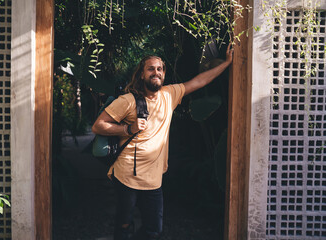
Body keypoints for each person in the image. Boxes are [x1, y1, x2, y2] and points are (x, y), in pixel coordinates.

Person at [92, 44, 234, 240]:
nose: (156, 72)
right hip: (126, 176)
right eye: (150, 69)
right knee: (124, 226)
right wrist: (127, 129)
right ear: (142, 74)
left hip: (153, 180)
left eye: (159, 69)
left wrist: (226, 63)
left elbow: (200, 80)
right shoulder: (128, 101)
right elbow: (98, 125)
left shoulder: (170, 94)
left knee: (153, 230)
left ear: (164, 74)